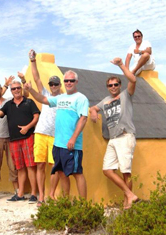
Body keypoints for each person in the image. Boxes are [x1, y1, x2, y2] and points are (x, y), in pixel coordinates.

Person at [25, 70, 88, 198]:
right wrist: (31, 90)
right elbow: (42, 99)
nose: (68, 83)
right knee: (61, 173)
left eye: (71, 80)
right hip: (58, 143)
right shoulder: (60, 98)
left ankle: (83, 206)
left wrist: (73, 138)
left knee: (77, 173)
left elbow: (83, 119)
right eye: (66, 81)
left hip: (71, 144)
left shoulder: (81, 98)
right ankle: (65, 202)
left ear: (76, 82)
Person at [89, 57, 139, 210]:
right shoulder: (105, 100)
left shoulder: (125, 95)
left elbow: (133, 79)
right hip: (113, 139)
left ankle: (127, 203)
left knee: (125, 172)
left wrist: (121, 65)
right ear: (107, 87)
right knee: (107, 170)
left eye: (116, 84)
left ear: (120, 85)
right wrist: (92, 113)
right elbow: (94, 108)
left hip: (125, 136)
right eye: (110, 85)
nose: (113, 87)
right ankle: (130, 195)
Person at [0, 81, 40, 204]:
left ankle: (34, 194)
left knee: (30, 166)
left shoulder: (29, 102)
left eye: (18, 88)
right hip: (13, 140)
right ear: (11, 91)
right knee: (20, 168)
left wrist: (27, 127)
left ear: (21, 89)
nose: (16, 90)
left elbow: (36, 117)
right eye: (14, 89)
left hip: (27, 137)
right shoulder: (8, 104)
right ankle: (20, 194)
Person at [28, 49, 69, 206]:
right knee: (40, 165)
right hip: (40, 133)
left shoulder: (65, 98)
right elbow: (37, 77)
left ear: (60, 85)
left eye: (55, 84)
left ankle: (51, 194)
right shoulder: (45, 94)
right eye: (51, 84)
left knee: (54, 167)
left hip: (56, 136)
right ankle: (41, 196)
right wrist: (32, 61)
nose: (53, 86)